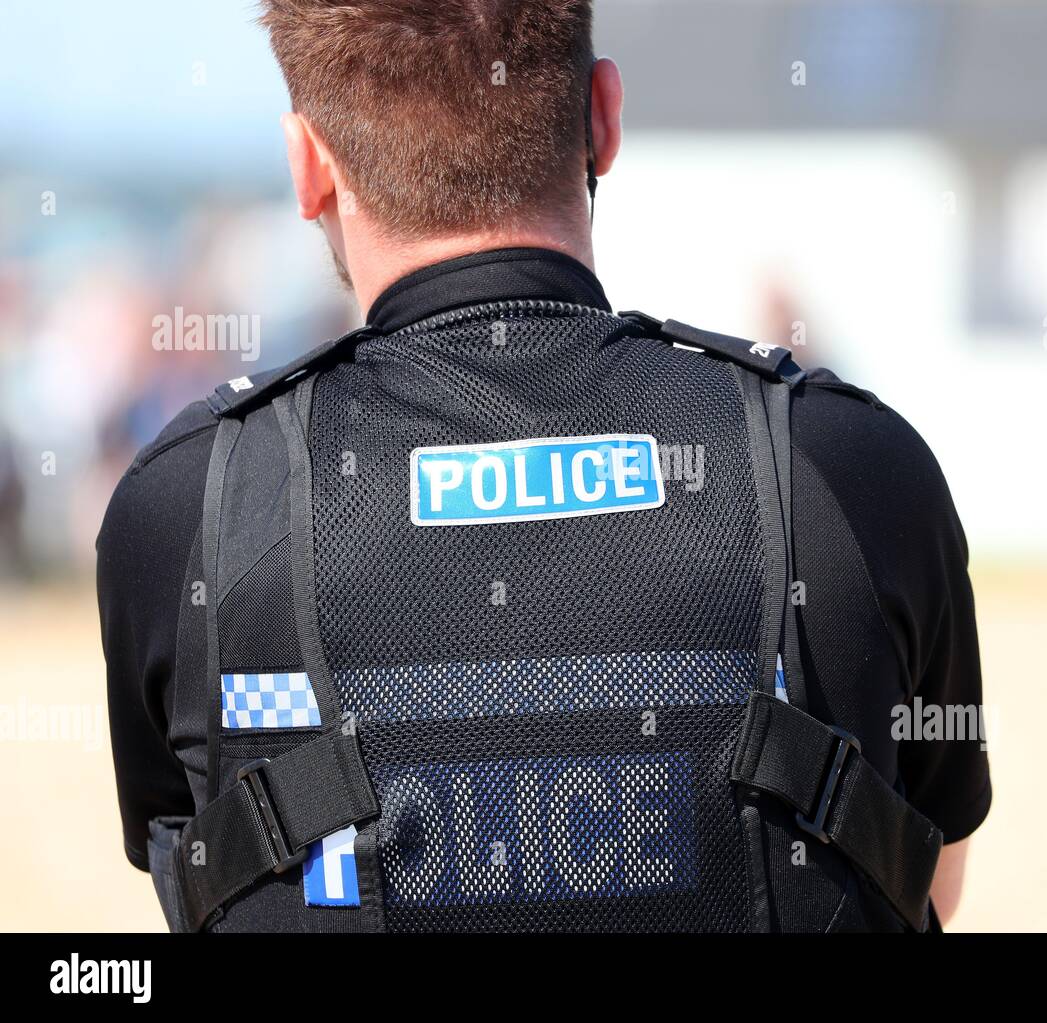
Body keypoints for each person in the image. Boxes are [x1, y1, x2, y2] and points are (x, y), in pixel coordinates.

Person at [97, 0, 989, 933]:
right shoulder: (846, 465)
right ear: (603, 116)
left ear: (307, 164)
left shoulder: (188, 506)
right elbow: (925, 880)